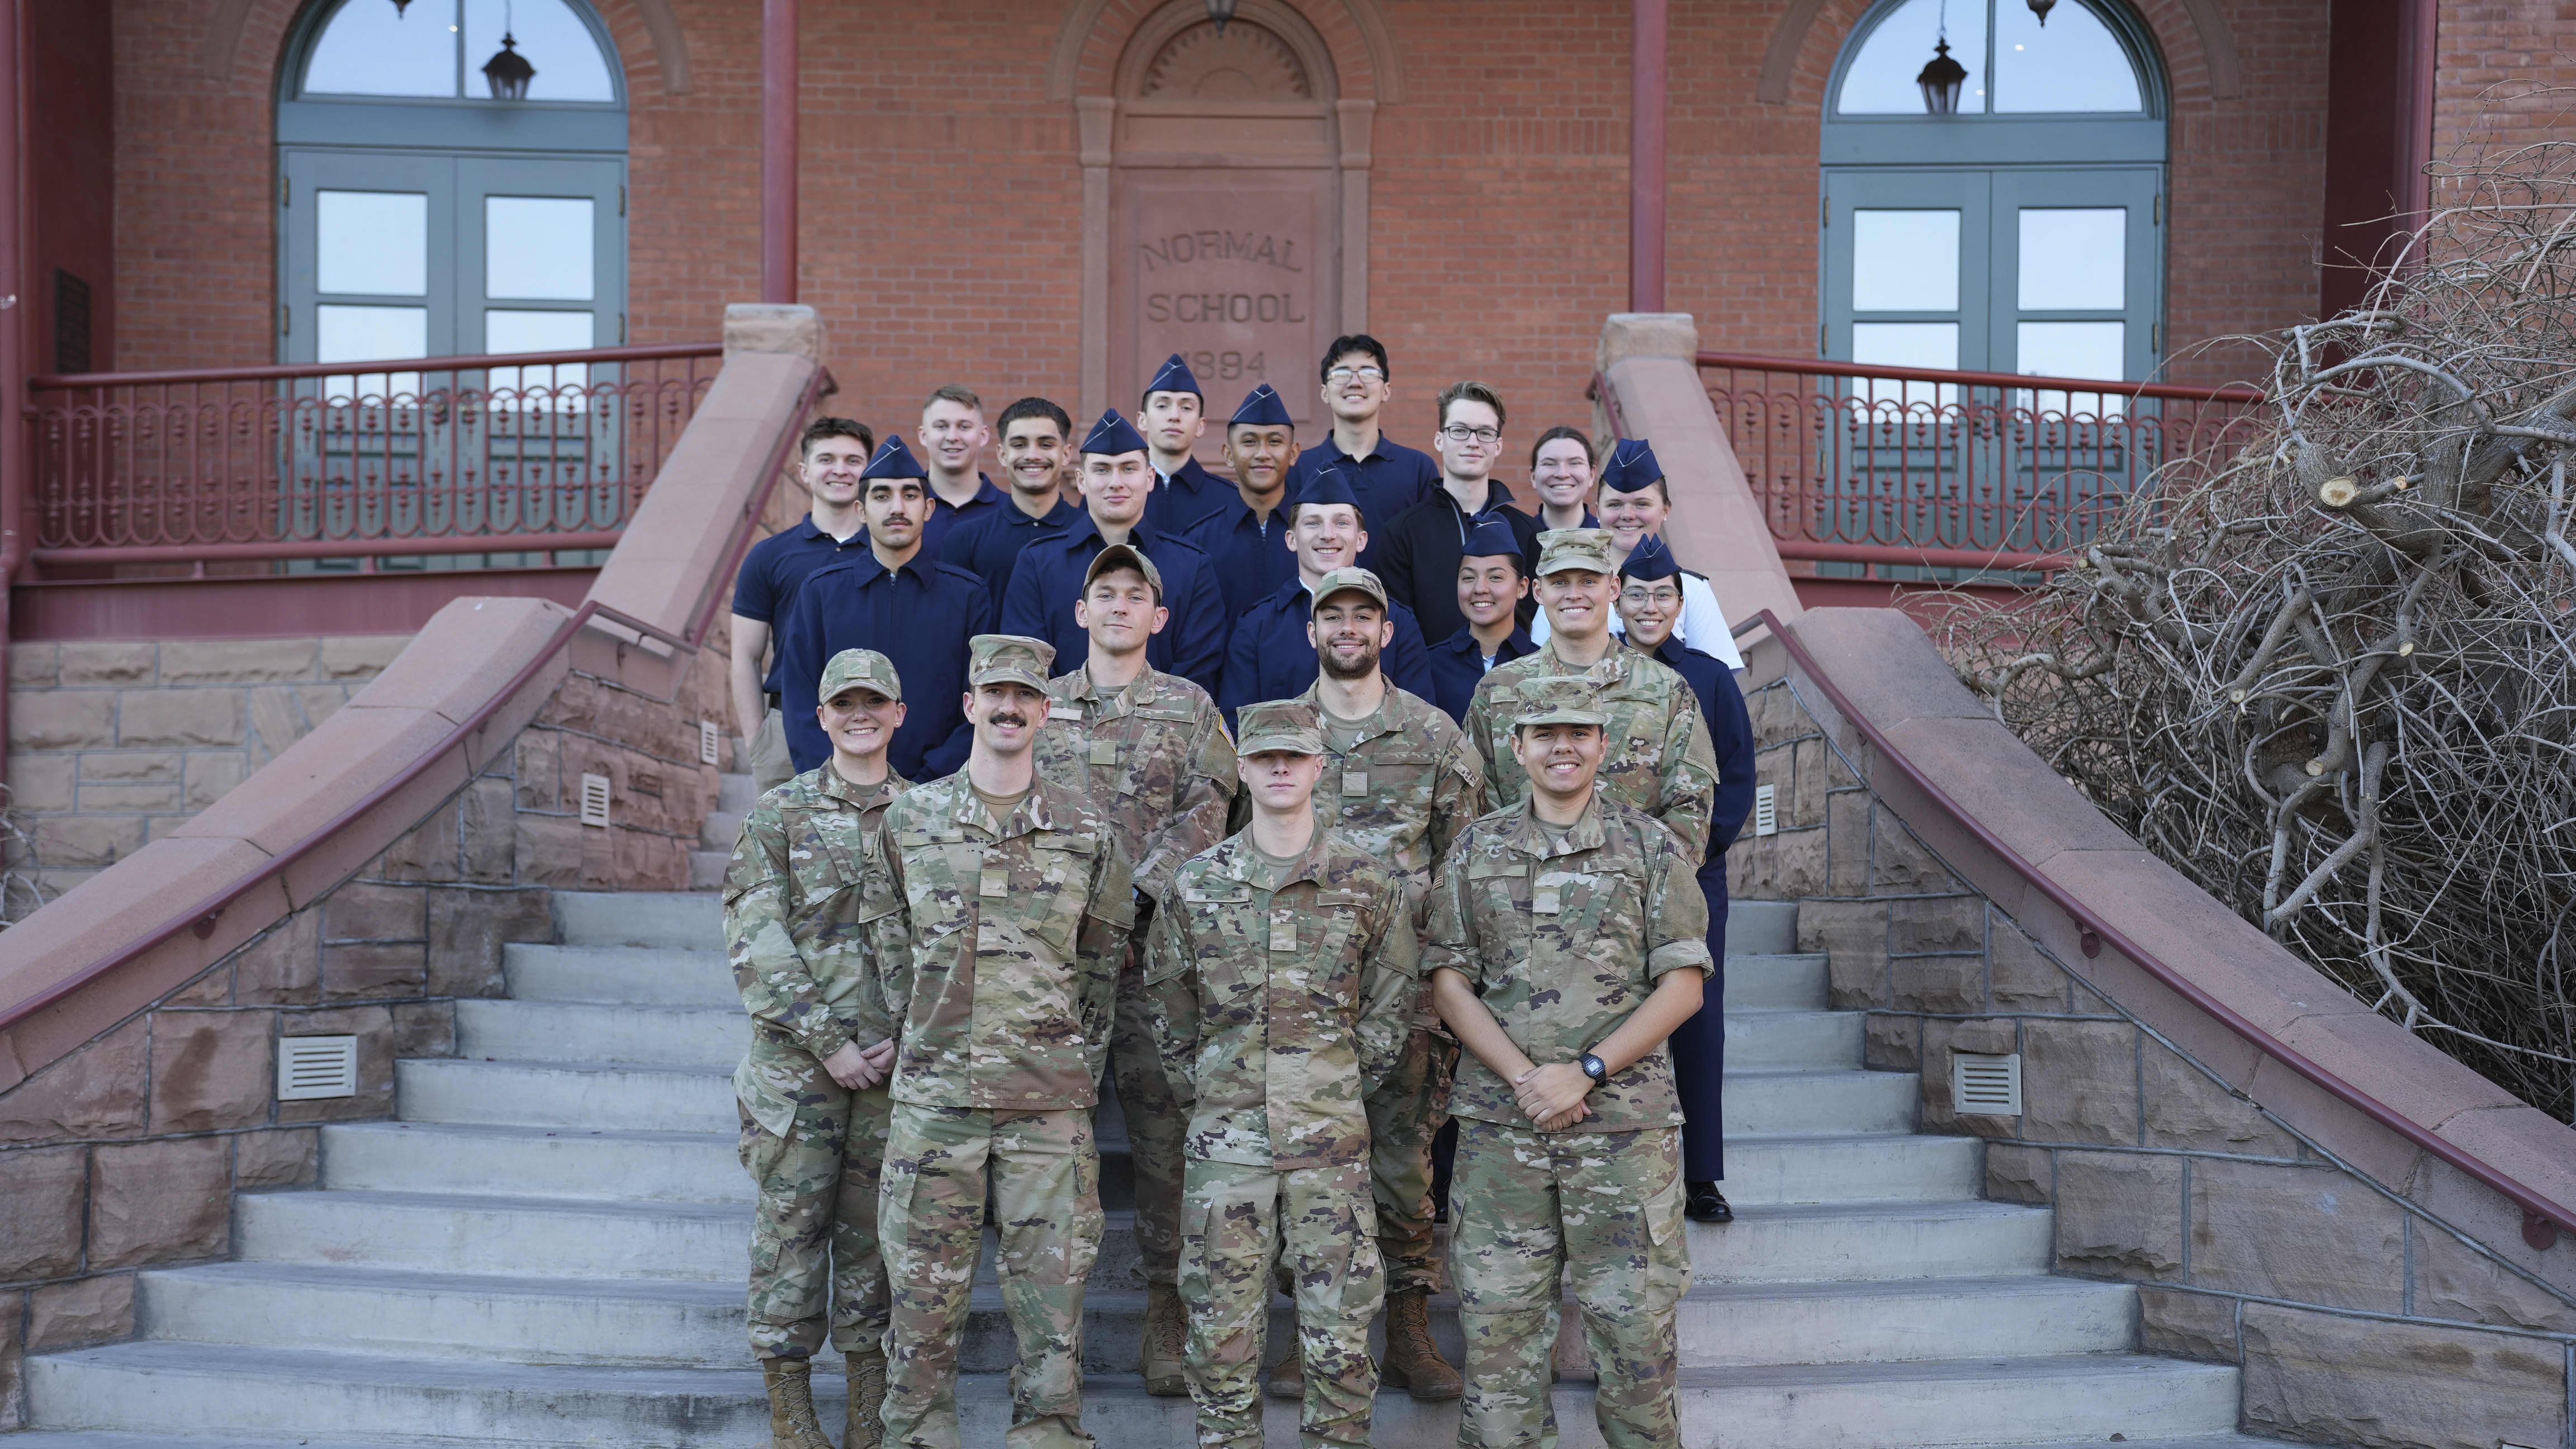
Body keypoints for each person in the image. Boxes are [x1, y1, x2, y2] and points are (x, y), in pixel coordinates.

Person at [1425, 675, 1710, 1449]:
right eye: (1544, 734)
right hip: (1501, 1130)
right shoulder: (1477, 848)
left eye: (1578, 733)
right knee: (1499, 1345)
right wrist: (1526, 1077)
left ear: (1603, 746)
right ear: (1515, 749)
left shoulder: (1650, 846)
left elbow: (1683, 984)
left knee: (1638, 1344)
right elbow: (1448, 982)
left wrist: (1584, 1072)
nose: (1562, 746)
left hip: (1624, 1132)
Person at [873, 635, 1137, 1449]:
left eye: (1025, 694)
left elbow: (1104, 960)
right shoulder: (910, 817)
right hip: (934, 1104)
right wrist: (925, 1032)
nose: (1010, 706)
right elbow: (890, 945)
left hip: (1047, 1105)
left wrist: (1063, 1055)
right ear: (970, 704)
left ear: (1045, 710)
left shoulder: (1087, 829)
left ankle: (1048, 1436)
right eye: (995, 692)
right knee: (922, 1301)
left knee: (1052, 1305)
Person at [1145, 698, 1414, 1449]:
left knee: (1339, 1337)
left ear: (1319, 766)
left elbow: (1392, 1007)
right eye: (1267, 758)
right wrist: (1212, 1095)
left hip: (1330, 1143)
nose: (1281, 769)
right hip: (1226, 1145)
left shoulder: (1365, 883)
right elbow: (1168, 1009)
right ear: (1245, 768)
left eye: (1295, 757)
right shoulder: (1198, 885)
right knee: (1222, 1334)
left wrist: (1335, 1089)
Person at [1257, 565, 1479, 1403]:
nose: (1348, 629)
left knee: (1403, 1164)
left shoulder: (1434, 736)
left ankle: (1410, 1328)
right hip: (1299, 997)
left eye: (1364, 617)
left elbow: (1466, 868)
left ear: (1387, 632)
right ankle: (1314, 1334)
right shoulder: (1281, 732)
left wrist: (1450, 978)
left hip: (1409, 998)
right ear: (1311, 631)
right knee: (1308, 1169)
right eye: (1332, 617)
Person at [1029, 543, 1238, 1399]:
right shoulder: (1036, 705)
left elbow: (1212, 805)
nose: (1118, 605)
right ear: (1080, 614)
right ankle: (1053, 1322)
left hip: (1154, 954)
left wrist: (1138, 889)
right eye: (1103, 593)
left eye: (1135, 596)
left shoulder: (1188, 707)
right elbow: (1008, 799)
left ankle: (1166, 1306)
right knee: (1050, 1140)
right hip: (1055, 959)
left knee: (1164, 1142)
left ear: (1159, 617)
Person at [726, 647, 913, 1449]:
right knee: (792, 1234)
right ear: (822, 716)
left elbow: (948, 944)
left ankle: (869, 1403)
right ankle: (791, 1411)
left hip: (895, 1071)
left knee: (876, 1238)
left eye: (876, 701)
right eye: (846, 703)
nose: (860, 714)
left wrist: (902, 1041)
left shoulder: (927, 816)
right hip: (799, 1072)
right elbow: (755, 938)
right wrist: (831, 1043)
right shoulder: (781, 813)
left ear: (899, 713)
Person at [1616, 537, 1756, 1226]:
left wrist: (1684, 859)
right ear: (1618, 597)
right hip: (1605, 881)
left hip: (1693, 878)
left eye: (1663, 595)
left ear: (1681, 604)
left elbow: (1735, 781)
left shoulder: (1709, 678)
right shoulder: (1596, 677)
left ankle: (1702, 1176)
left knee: (1696, 1024)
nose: (1650, 607)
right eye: (1637, 594)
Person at [1464, 528, 1718, 859]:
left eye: (1588, 581)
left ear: (1613, 588)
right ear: (1538, 591)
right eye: (1559, 582)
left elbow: (1691, 809)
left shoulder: (1666, 689)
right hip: (1518, 896)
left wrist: (1647, 886)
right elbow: (1473, 804)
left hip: (1629, 899)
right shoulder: (1498, 690)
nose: (1574, 594)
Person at [774, 438, 991, 780]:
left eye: (909, 495)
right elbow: (801, 699)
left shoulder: (967, 595)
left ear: (929, 508)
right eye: (881, 496)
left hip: (940, 793)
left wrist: (932, 781)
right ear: (861, 510)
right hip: (839, 796)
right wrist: (833, 781)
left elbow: (980, 700)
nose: (897, 508)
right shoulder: (821, 591)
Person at [1001, 410, 1229, 694]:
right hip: (1058, 730)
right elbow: (1026, 662)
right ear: (1081, 480)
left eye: (1128, 469)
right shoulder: (1038, 562)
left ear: (1149, 478)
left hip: (1168, 732)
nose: (1116, 482)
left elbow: (1200, 668)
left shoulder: (1192, 565)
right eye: (1102, 470)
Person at [1214, 471, 1436, 721]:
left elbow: (1420, 721)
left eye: (1341, 523)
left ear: (1361, 539)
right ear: (1291, 539)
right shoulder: (1256, 625)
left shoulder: (1398, 621)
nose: (1328, 534)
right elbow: (1237, 726)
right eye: (1313, 523)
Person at [731, 417, 878, 793]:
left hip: (874, 720)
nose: (840, 470)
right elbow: (745, 656)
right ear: (805, 472)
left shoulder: (888, 552)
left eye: (853, 461)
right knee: (794, 852)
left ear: (868, 472)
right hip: (789, 725)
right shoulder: (769, 556)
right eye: (827, 459)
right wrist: (758, 742)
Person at [1530, 438, 1742, 669]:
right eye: (1614, 505)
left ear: (1666, 510)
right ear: (1597, 510)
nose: (1628, 515)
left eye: (1641, 504)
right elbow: (1537, 670)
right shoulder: (1564, 590)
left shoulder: (1692, 589)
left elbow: (1716, 680)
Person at [1376, 381, 1540, 647]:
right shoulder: (1402, 534)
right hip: (1428, 684)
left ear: (1498, 445)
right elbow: (1397, 632)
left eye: (1485, 433)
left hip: (1516, 685)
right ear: (1439, 440)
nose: (1473, 442)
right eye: (1460, 431)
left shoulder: (1530, 533)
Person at [1282, 335, 1438, 574]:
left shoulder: (1418, 468)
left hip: (1397, 610)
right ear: (1324, 392)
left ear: (1386, 390)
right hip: (1314, 610)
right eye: (1342, 374)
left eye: (1368, 373)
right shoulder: (1298, 468)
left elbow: (1429, 556)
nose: (1355, 383)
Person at [939, 396, 1083, 605]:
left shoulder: (1090, 534)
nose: (1032, 455)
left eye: (1045, 444)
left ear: (1066, 454)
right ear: (1002, 454)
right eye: (1019, 445)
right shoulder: (964, 539)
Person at [1183, 383, 1302, 622]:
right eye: (1249, 442)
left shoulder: (1319, 536)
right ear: (1228, 454)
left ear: (1293, 453)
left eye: (1275, 442)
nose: (1262, 454)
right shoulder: (1199, 542)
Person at [1422, 514, 1536, 723]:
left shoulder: (1543, 664)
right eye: (1468, 578)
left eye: (1495, 577)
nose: (1480, 589)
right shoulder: (1431, 665)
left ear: (1522, 587)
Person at [1136, 353, 1236, 539]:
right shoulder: (1119, 491)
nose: (1174, 416)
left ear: (1201, 425)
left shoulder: (1228, 499)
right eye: (1162, 406)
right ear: (1142, 420)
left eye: (1186, 408)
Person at [914, 385, 1007, 560]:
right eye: (941, 426)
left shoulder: (1010, 512)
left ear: (984, 435)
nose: (952, 437)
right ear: (923, 435)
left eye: (964, 427)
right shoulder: (904, 509)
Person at [1527, 425, 1599, 535]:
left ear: (1592, 475)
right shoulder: (1516, 540)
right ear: (1533, 476)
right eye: (1549, 464)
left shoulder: (1609, 540)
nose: (1562, 474)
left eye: (1575, 463)